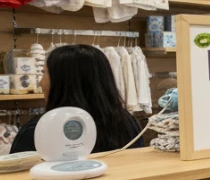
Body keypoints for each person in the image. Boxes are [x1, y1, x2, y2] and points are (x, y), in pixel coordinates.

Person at [11, 44, 144, 154]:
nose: (41, 82)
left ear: (62, 82)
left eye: (45, 73)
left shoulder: (38, 130)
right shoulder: (127, 124)